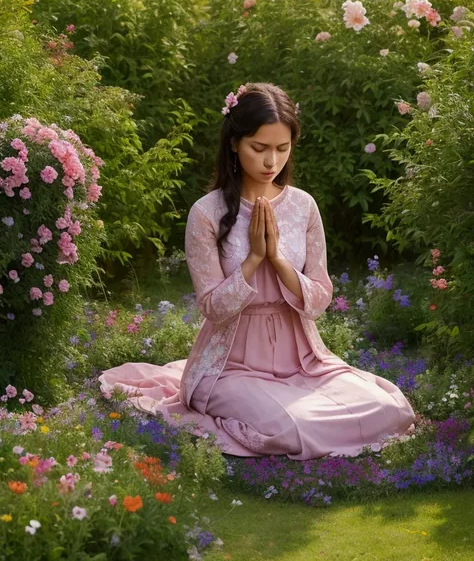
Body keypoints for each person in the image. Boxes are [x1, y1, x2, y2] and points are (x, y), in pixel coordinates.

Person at [99, 82, 416, 460]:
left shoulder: (303, 206)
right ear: (235, 143)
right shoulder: (206, 213)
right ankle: (225, 411)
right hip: (229, 365)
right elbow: (213, 308)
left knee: (390, 411)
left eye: (282, 149)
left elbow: (319, 299)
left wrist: (278, 261)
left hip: (304, 359)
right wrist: (252, 259)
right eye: (259, 148)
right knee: (290, 425)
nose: (271, 162)